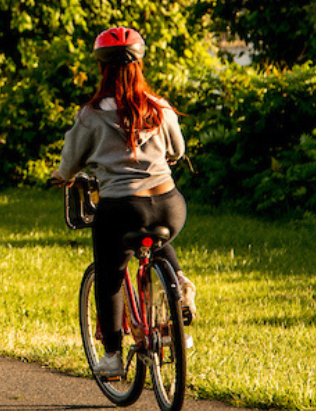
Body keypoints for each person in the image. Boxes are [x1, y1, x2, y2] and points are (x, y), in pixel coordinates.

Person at [49, 27, 196, 378]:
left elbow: (70, 164)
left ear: (102, 67)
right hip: (168, 203)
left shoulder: (92, 115)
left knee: (110, 273)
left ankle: (113, 356)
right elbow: (177, 150)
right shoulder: (160, 108)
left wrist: (60, 176)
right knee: (159, 242)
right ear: (140, 63)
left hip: (121, 208)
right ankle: (178, 286)